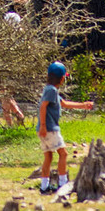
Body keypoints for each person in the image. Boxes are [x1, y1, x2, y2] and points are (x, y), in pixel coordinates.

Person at [37, 58, 90, 196]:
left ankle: (44, 186)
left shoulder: (49, 90)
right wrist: (43, 126)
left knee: (48, 156)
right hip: (50, 128)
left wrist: (83, 105)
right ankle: (62, 183)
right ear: (61, 79)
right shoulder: (51, 91)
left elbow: (64, 103)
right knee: (63, 154)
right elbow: (43, 107)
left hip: (44, 129)